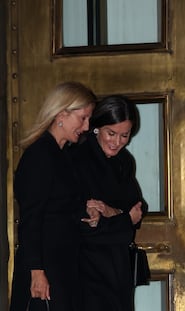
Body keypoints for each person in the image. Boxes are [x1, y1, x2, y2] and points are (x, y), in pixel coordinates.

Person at [10, 82, 96, 311]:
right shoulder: (39, 156)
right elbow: (31, 218)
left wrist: (88, 211)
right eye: (82, 118)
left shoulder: (64, 155)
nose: (86, 126)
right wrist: (36, 271)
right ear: (61, 114)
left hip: (63, 263)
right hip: (44, 267)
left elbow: (62, 206)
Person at [71, 95, 148, 311]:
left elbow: (139, 210)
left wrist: (110, 211)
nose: (117, 142)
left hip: (118, 268)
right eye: (111, 133)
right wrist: (124, 218)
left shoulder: (124, 161)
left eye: (125, 135)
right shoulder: (78, 159)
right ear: (96, 128)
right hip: (86, 268)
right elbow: (87, 225)